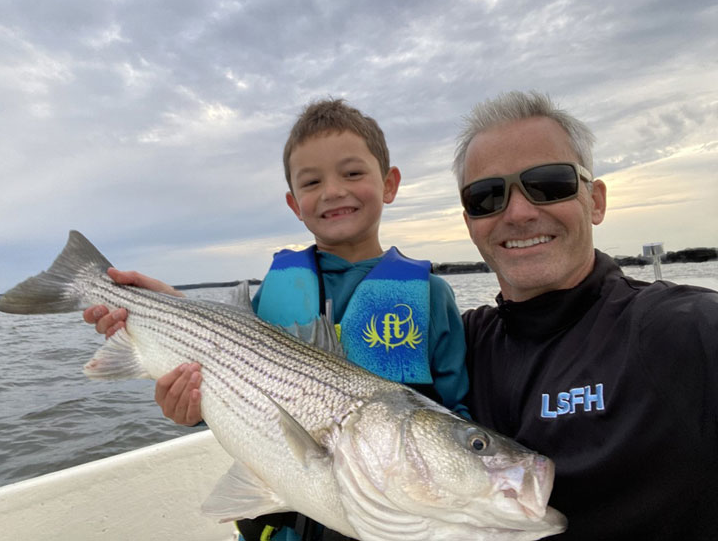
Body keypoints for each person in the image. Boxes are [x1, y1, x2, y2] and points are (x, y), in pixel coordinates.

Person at [85, 98, 470, 541]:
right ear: (293, 203)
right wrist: (188, 406)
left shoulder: (431, 296)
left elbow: (454, 413)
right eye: (312, 181)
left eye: (352, 173)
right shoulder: (275, 291)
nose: (332, 191)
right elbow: (231, 378)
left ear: (389, 183)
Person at [452, 90, 718, 541]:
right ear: (470, 223)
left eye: (549, 184)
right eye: (486, 196)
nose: (517, 212)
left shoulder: (684, 329)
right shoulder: (455, 345)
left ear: (595, 201)